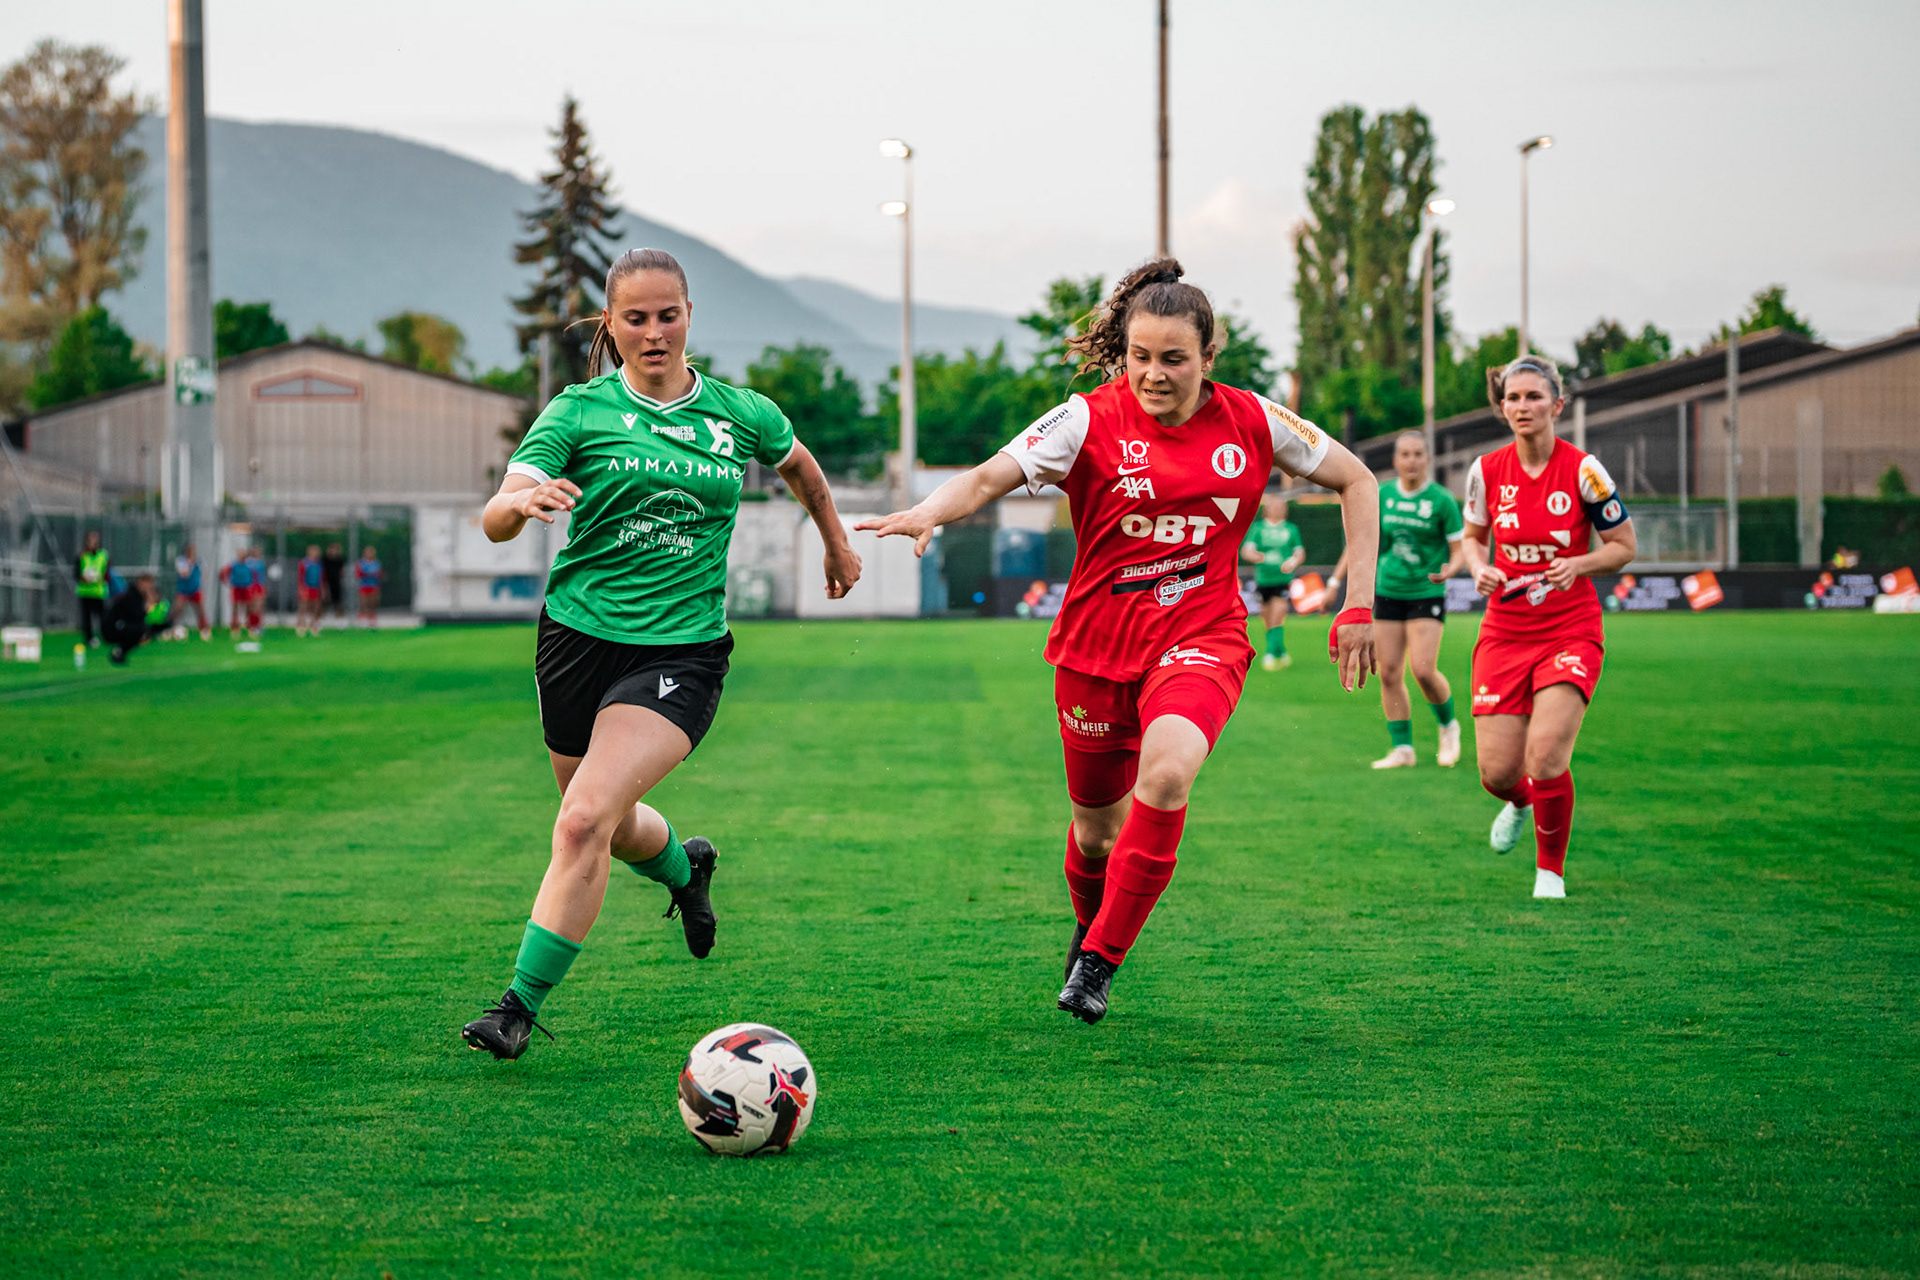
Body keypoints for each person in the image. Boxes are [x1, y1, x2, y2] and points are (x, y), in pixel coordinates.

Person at [857, 258, 1379, 1025]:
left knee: (1167, 778)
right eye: (1141, 357)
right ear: (1123, 353)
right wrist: (932, 509)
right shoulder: (1084, 420)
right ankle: (1089, 926)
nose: (1155, 375)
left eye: (1174, 359)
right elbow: (987, 475)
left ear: (1209, 355)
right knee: (1095, 836)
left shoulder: (1255, 419)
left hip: (1202, 635)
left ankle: (1099, 963)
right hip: (1096, 651)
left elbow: (1357, 480)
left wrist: (1356, 602)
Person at [461, 247, 862, 1060]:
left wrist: (835, 541)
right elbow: (496, 515)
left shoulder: (738, 412)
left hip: (681, 652)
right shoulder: (578, 412)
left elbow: (802, 469)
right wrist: (519, 502)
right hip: (575, 640)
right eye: (634, 318)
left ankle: (517, 1007)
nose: (653, 332)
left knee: (578, 824)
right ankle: (686, 868)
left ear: (688, 316)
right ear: (610, 324)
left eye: (667, 314)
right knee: (602, 823)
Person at [1462, 356, 1637, 899]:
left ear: (1557, 405)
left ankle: (1550, 873)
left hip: (1569, 629)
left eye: (1534, 397)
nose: (1522, 407)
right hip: (1504, 631)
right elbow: (1471, 537)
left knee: (1545, 756)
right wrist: (1478, 567)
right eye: (1512, 398)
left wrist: (1579, 565)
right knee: (1497, 773)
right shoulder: (1486, 471)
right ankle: (1520, 803)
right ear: (1502, 407)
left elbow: (1624, 547)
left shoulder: (1585, 471)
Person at [1329, 430, 1467, 769]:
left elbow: (1459, 548)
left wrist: (1452, 569)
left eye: (1418, 454)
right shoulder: (1384, 496)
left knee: (1422, 669)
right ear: (1395, 460)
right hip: (1388, 591)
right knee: (1389, 672)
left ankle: (1448, 726)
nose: (1411, 461)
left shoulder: (1441, 500)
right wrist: (1335, 581)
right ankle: (1402, 749)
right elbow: (1359, 542)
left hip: (1425, 593)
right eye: (1405, 454)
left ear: (1427, 459)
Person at [102, 573, 162, 666]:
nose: (150, 588)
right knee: (141, 631)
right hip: (113, 628)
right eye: (149, 585)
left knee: (144, 630)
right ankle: (120, 651)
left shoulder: (138, 596)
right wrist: (148, 606)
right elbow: (137, 616)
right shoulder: (131, 596)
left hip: (122, 626)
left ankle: (120, 652)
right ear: (141, 583)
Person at [172, 543, 213, 641]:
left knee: (200, 610)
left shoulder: (199, 561)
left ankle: (204, 629)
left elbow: (205, 573)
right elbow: (184, 574)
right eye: (189, 549)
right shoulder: (181, 560)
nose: (191, 552)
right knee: (178, 608)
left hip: (195, 589)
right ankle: (170, 627)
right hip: (183, 590)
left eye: (193, 550)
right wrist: (190, 564)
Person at [75, 531, 109, 648]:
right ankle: (89, 638)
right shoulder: (82, 556)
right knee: (87, 618)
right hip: (85, 591)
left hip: (99, 591)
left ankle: (106, 636)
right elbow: (76, 574)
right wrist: (84, 578)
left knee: (102, 616)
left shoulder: (103, 555)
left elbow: (108, 572)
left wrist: (101, 577)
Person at [221, 548, 260, 641]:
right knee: (235, 608)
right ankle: (235, 628)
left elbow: (255, 576)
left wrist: (253, 586)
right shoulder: (233, 565)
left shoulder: (249, 565)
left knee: (248, 608)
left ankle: (250, 627)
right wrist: (227, 581)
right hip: (236, 588)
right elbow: (223, 573)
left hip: (246, 588)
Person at [295, 545, 326, 637]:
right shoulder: (304, 563)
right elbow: (300, 576)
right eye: (314, 551)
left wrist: (322, 588)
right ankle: (301, 625)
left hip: (315, 588)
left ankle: (313, 625)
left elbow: (321, 578)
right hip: (306, 587)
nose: (316, 553)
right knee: (303, 607)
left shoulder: (319, 564)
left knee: (315, 608)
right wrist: (301, 588)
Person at [354, 547, 383, 627]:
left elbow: (379, 573)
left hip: (373, 585)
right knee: (364, 603)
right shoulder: (361, 563)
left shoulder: (377, 563)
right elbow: (358, 574)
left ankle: (372, 620)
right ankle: (363, 620)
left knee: (373, 603)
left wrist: (374, 574)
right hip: (364, 585)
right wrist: (368, 574)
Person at [322, 542, 347, 619]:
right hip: (326, 581)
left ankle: (339, 615)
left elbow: (341, 571)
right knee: (325, 598)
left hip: (336, 581)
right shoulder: (325, 559)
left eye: (336, 550)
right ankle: (321, 614)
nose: (333, 551)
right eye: (332, 549)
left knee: (337, 598)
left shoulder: (340, 559)